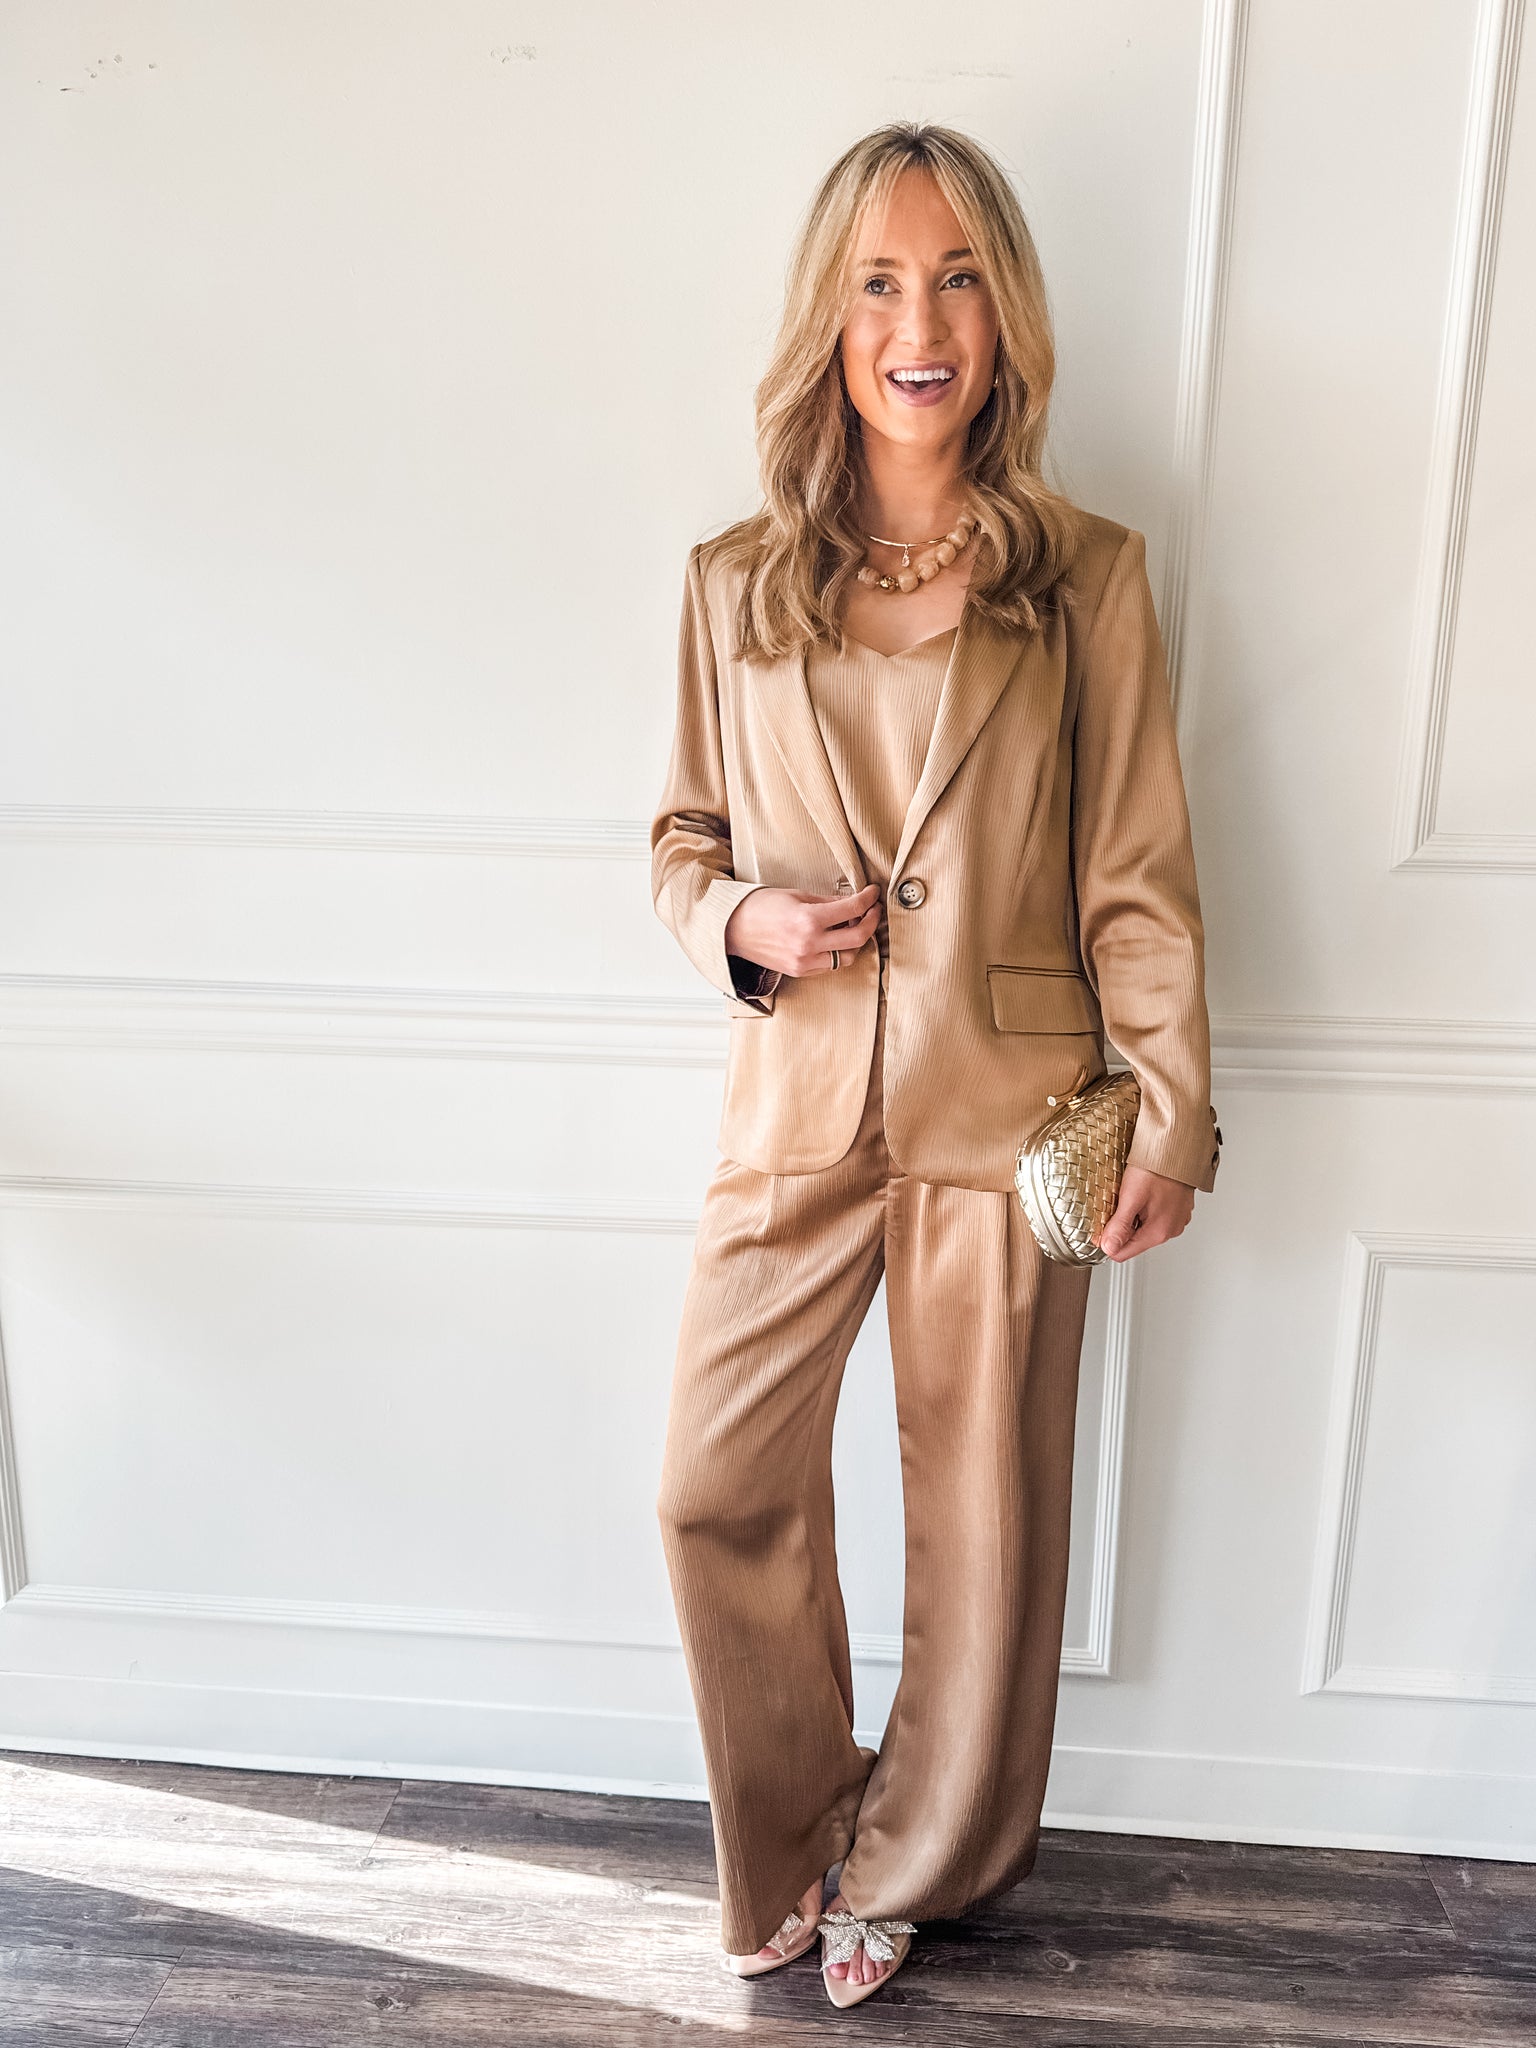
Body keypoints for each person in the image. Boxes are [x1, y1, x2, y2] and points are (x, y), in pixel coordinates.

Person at [649, 121, 1220, 2011]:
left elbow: (1137, 875)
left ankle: (909, 1862)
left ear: (1007, 316)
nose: (923, 324)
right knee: (712, 1484)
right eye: (883, 282)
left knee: (984, 1524)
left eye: (960, 278)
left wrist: (1175, 1108)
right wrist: (739, 919)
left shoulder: (1088, 580)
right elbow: (678, 843)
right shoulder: (732, 583)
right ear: (830, 320)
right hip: (799, 1106)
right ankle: (794, 1832)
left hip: (1014, 1113)